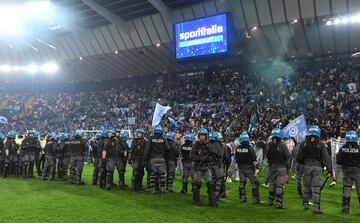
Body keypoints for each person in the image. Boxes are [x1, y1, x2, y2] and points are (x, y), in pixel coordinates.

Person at [296, 125, 332, 214]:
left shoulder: (303, 143)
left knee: (306, 187)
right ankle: (316, 208)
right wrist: (329, 169)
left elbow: (298, 158)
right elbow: (326, 158)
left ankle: (305, 205)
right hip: (318, 167)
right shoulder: (321, 144)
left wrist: (304, 162)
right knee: (316, 188)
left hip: (306, 167)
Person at [191, 128, 217, 207]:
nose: (202, 137)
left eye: (204, 135)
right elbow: (192, 156)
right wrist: (200, 158)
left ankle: (212, 202)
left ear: (206, 136)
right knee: (197, 184)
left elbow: (214, 154)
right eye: (201, 135)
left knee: (210, 184)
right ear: (199, 136)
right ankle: (196, 200)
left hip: (206, 167)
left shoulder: (208, 145)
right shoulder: (195, 145)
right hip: (198, 167)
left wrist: (208, 158)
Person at [234, 132, 262, 204]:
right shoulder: (250, 148)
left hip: (241, 168)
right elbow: (254, 158)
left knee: (242, 183)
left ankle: (242, 198)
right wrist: (256, 168)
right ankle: (256, 199)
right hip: (249, 168)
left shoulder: (238, 148)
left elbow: (236, 159)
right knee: (254, 183)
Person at [336, 130, 360, 214]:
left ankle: (345, 209)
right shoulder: (359, 148)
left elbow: (338, 161)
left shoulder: (343, 148)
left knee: (347, 189)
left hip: (346, 171)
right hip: (357, 171)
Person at [265, 128, 290, 209]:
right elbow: (288, 156)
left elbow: (267, 155)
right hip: (281, 168)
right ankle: (279, 203)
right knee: (280, 185)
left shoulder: (269, 144)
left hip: (272, 167)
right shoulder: (282, 145)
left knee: (272, 184)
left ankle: (270, 201)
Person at [143, 125, 170, 194]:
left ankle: (152, 189)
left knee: (152, 175)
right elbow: (168, 148)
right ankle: (162, 189)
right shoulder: (163, 138)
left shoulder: (151, 138)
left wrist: (145, 159)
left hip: (153, 159)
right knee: (162, 174)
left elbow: (147, 149)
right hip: (161, 158)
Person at [208, 132, 225, 201]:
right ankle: (216, 194)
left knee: (213, 179)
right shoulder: (218, 144)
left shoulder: (208, 144)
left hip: (210, 164)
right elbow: (221, 155)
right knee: (219, 179)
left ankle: (212, 194)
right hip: (218, 164)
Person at [129, 128, 147, 192]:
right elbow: (131, 150)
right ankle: (134, 187)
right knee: (135, 173)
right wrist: (130, 158)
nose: (139, 134)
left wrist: (145, 159)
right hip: (136, 158)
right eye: (138, 133)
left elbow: (146, 151)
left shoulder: (144, 141)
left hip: (141, 159)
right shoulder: (134, 141)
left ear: (142, 134)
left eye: (140, 133)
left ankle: (139, 186)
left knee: (141, 173)